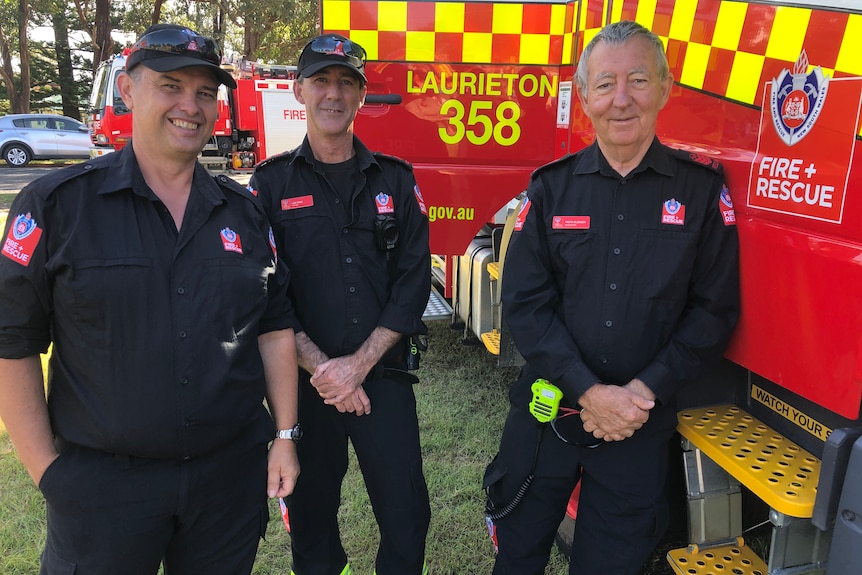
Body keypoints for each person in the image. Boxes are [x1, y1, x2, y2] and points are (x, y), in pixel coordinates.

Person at [0, 23, 300, 575]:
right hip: (103, 490)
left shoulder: (245, 212)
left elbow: (274, 327)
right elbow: (11, 342)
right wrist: (48, 472)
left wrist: (284, 435)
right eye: (171, 85)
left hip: (225, 483)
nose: (191, 105)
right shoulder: (56, 206)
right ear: (128, 90)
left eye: (205, 93)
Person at [483, 21, 740, 575]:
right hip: (547, 412)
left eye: (638, 81)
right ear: (584, 96)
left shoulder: (699, 193)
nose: (621, 100)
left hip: (638, 425)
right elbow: (525, 305)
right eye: (604, 84)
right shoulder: (550, 188)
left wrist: (639, 394)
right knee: (518, 552)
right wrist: (589, 390)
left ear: (665, 88)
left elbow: (713, 312)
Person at [248, 33, 432, 575]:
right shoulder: (270, 183)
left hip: (384, 380)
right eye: (322, 80)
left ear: (360, 95)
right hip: (303, 389)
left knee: (407, 516)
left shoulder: (395, 179)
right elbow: (266, 291)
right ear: (299, 90)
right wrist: (325, 370)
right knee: (310, 520)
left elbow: (413, 282)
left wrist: (357, 367)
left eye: (346, 82)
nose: (334, 93)